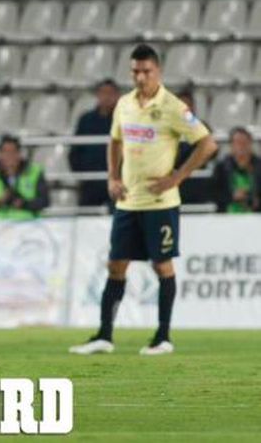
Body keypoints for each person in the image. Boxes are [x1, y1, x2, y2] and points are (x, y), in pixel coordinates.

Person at [70, 44, 217, 356]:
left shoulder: (174, 107)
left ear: (158, 71)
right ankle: (104, 336)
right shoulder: (124, 104)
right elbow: (115, 141)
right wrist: (112, 177)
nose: (140, 77)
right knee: (116, 266)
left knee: (162, 266)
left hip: (160, 204)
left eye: (146, 71)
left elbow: (207, 144)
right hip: (128, 202)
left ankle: (163, 337)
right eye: (135, 71)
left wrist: (177, 177)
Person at [69, 79, 120, 208]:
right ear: (97, 95)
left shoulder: (123, 120)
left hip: (116, 182)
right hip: (90, 182)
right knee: (87, 216)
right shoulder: (86, 120)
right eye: (103, 92)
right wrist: (82, 175)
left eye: (110, 93)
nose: (107, 97)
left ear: (117, 96)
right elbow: (75, 151)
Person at [0, 134, 49, 219]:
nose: (9, 156)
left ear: (19, 154)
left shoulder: (34, 172)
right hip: (0, 224)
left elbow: (44, 201)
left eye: (13, 152)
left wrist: (23, 204)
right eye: (5, 152)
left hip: (29, 223)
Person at [212, 127, 261, 213]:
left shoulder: (259, 165)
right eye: (238, 142)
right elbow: (213, 194)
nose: (241, 146)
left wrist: (255, 199)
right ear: (231, 145)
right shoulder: (221, 167)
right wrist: (232, 196)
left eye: (245, 142)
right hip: (226, 215)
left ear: (250, 143)